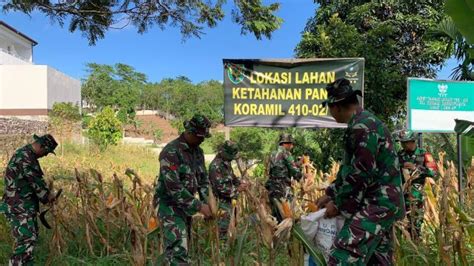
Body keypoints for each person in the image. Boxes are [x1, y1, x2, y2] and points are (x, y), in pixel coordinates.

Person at [317, 78, 405, 265]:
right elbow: (348, 170)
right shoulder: (361, 123)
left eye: (329, 108)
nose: (330, 113)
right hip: (382, 202)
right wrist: (330, 193)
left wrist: (338, 205)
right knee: (377, 260)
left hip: (377, 203)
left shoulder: (362, 127)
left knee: (342, 257)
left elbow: (360, 175)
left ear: (336, 107)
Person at [153, 114, 213, 265]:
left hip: (186, 207)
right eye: (200, 136)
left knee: (183, 248)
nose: (202, 140)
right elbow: (174, 188)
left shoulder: (198, 152)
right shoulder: (171, 152)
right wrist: (200, 206)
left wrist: (210, 205)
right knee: (178, 250)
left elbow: (203, 181)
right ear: (190, 132)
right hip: (169, 206)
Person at [0, 134, 58, 266]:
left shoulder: (27, 155)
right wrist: (48, 196)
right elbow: (35, 181)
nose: (45, 155)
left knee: (30, 242)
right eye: (46, 152)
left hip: (24, 206)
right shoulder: (25, 157)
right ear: (41, 146)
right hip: (19, 207)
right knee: (25, 241)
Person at [397, 129, 438, 239]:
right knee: (400, 222)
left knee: (415, 221)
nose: (403, 145)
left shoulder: (424, 154)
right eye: (401, 143)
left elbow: (434, 172)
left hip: (416, 194)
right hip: (400, 194)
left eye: (405, 142)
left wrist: (416, 168)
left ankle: (416, 245)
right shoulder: (399, 155)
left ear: (412, 141)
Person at [208, 140, 248, 237]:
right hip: (221, 205)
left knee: (232, 230)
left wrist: (241, 182)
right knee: (224, 232)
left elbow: (232, 177)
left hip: (229, 203)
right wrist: (238, 189)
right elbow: (221, 189)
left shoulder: (226, 163)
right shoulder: (216, 166)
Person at [265, 133, 304, 222]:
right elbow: (293, 170)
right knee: (287, 213)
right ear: (286, 143)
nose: (292, 146)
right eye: (291, 144)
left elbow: (275, 168)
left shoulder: (273, 153)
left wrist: (298, 163)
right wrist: (302, 175)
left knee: (276, 212)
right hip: (282, 186)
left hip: (272, 186)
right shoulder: (286, 153)